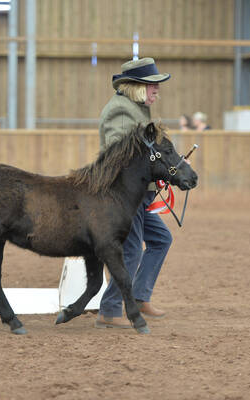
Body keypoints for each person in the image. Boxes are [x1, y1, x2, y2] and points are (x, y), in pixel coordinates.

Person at [95, 57, 174, 329]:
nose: (156, 91)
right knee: (131, 253)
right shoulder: (121, 111)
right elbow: (121, 155)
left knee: (161, 240)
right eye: (153, 86)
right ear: (137, 87)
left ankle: (139, 297)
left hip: (139, 194)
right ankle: (109, 309)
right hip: (124, 197)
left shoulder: (135, 109)